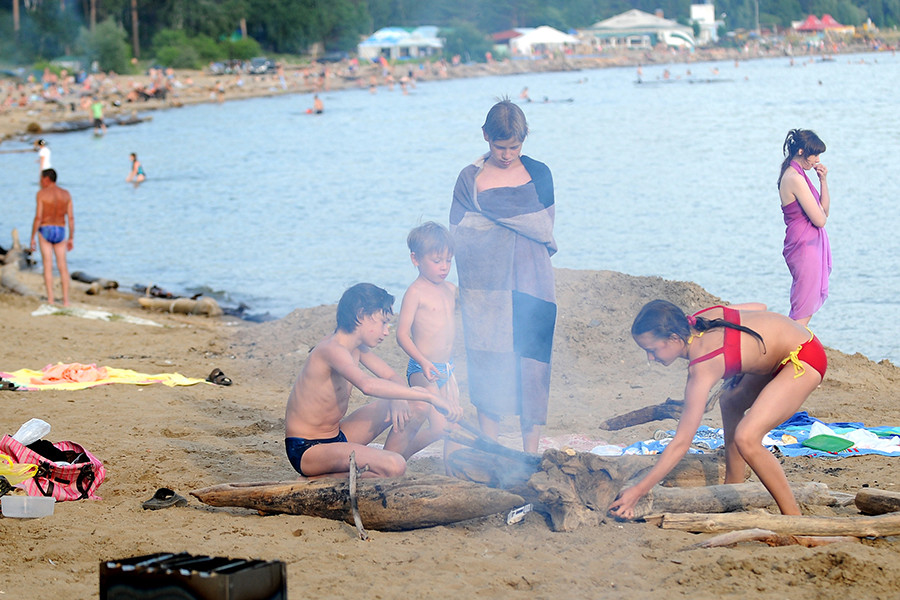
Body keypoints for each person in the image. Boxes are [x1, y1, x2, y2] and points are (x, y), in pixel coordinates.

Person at [608, 300, 828, 520]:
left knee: (747, 437)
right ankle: (734, 485)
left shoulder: (702, 367)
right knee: (730, 402)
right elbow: (759, 308)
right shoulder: (698, 320)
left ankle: (796, 521)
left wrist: (639, 490)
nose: (650, 358)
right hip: (787, 348)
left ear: (674, 338)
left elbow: (681, 443)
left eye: (652, 350)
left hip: (803, 357)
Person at [450, 98, 557, 453]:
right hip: (486, 284)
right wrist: (501, 236)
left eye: (515, 146)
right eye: (500, 146)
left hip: (534, 279)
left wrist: (502, 229)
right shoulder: (470, 178)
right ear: (485, 137)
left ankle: (530, 453)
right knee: (487, 358)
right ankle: (491, 450)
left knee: (532, 361)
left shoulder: (539, 172)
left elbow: (543, 225)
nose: (508, 154)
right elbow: (461, 230)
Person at [284, 283, 462, 479]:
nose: (386, 331)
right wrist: (429, 395)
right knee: (395, 467)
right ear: (361, 315)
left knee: (416, 405)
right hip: (308, 448)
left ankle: (386, 466)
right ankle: (316, 480)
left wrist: (398, 399)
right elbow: (367, 385)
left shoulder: (357, 347)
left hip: (337, 436)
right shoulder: (331, 349)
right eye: (383, 323)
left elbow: (391, 376)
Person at [396, 222, 461, 459]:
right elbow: (401, 334)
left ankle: (452, 471)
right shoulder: (415, 292)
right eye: (437, 261)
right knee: (440, 427)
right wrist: (422, 361)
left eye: (448, 261)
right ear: (416, 259)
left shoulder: (450, 289)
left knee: (453, 425)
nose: (444, 267)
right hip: (423, 369)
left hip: (447, 368)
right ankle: (397, 455)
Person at [778, 129, 831, 325]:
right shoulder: (794, 178)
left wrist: (823, 181)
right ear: (801, 151)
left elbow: (824, 211)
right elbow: (820, 220)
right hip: (804, 246)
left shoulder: (801, 176)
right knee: (803, 305)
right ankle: (789, 347)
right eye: (815, 155)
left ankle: (791, 345)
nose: (817, 160)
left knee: (804, 302)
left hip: (808, 244)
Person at [30, 169, 75, 306]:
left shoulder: (41, 194)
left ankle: (50, 299)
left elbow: (38, 217)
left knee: (48, 265)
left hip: (46, 229)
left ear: (46, 179)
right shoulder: (66, 194)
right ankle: (65, 300)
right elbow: (71, 218)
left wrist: (32, 237)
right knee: (63, 267)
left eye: (41, 179)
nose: (40, 182)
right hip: (60, 230)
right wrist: (71, 237)